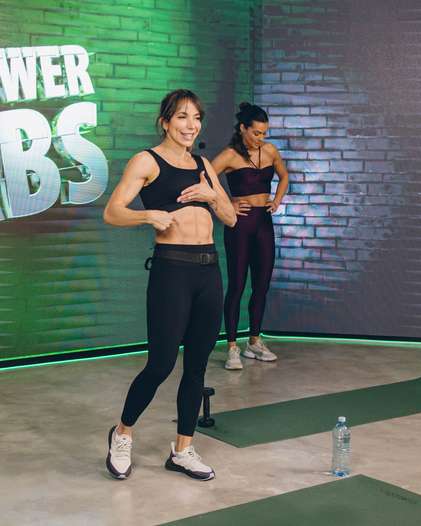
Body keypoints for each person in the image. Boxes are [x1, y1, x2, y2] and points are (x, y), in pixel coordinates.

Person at [103, 89, 236, 480]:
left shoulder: (203, 165)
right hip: (172, 272)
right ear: (165, 122)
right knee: (161, 364)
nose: (190, 125)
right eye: (182, 117)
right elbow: (112, 212)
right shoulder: (147, 160)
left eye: (196, 118)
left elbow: (230, 218)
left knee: (196, 367)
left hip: (208, 272)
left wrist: (212, 195)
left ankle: (182, 449)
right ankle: (122, 433)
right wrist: (148, 217)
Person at [212, 102, 289, 370]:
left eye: (264, 133)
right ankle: (232, 346)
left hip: (263, 223)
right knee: (236, 286)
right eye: (256, 132)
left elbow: (284, 176)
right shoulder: (230, 155)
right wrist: (227, 203)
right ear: (243, 128)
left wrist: (277, 200)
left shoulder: (270, 150)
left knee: (262, 285)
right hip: (240, 225)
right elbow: (204, 179)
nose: (261, 138)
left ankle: (254, 342)